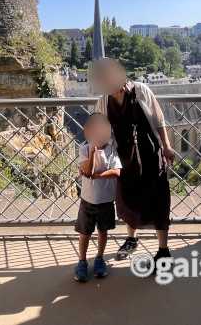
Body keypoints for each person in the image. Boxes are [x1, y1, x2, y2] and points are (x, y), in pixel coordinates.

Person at [91, 58, 175, 268]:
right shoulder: (103, 101)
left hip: (150, 154)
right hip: (125, 159)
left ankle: (163, 250)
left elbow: (159, 119)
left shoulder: (141, 90)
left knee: (159, 201)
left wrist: (166, 146)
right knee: (127, 200)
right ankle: (131, 239)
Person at [74, 112, 121, 282]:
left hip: (106, 200)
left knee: (103, 231)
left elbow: (117, 171)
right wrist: (93, 151)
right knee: (84, 233)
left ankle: (100, 258)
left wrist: (99, 176)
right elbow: (87, 170)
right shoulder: (84, 148)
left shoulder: (111, 149)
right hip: (88, 200)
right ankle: (82, 261)